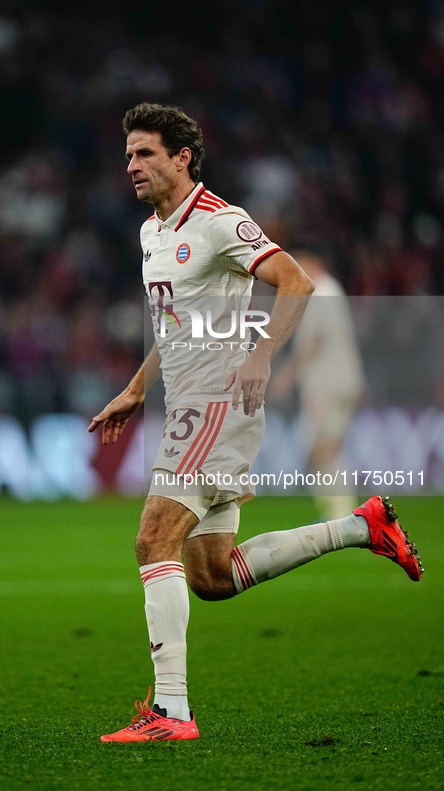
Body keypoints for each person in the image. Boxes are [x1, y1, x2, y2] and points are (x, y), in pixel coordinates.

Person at [88, 103, 422, 743]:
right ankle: (361, 526)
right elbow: (173, 325)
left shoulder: (218, 222)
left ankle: (171, 713)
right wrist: (134, 390)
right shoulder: (150, 234)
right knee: (211, 576)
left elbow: (294, 283)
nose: (131, 165)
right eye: (128, 155)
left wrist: (263, 356)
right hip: (186, 405)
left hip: (218, 402)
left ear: (181, 157)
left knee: (152, 539)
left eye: (145, 153)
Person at [269, 247, 366, 520]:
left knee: (322, 449)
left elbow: (315, 340)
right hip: (336, 382)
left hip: (329, 384)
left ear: (312, 262)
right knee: (323, 449)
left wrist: (287, 375)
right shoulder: (332, 290)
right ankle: (340, 513)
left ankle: (342, 515)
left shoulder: (322, 292)